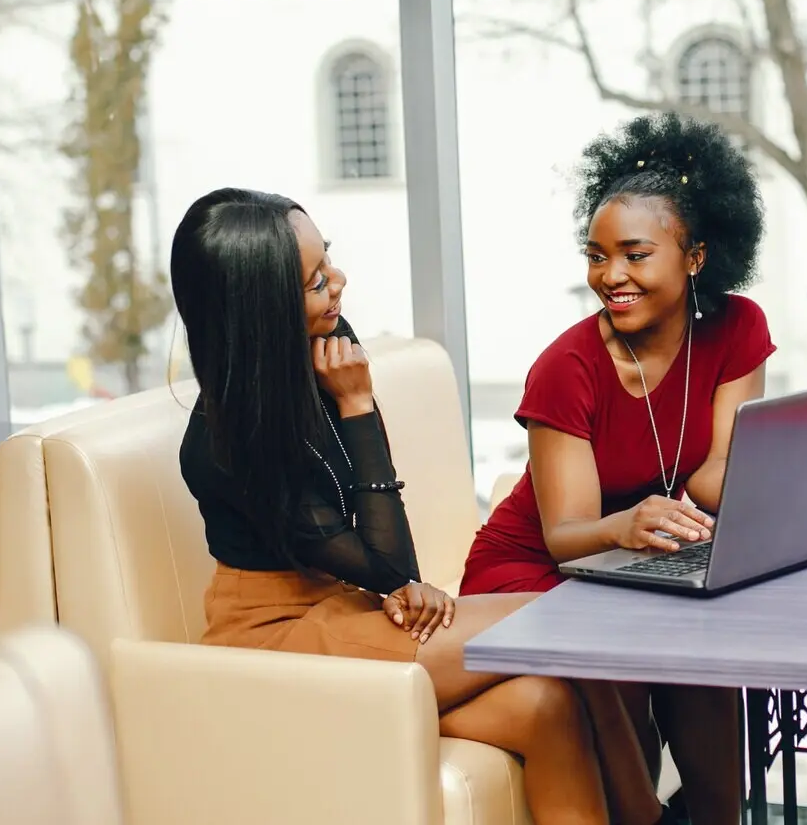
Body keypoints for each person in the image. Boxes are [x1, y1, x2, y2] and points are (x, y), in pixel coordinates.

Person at [170, 187, 673, 825]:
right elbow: (389, 560)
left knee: (548, 705)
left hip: (347, 606)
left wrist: (391, 584)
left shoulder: (317, 352)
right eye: (316, 280)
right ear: (261, 310)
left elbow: (378, 569)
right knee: (569, 623)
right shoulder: (224, 444)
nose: (340, 284)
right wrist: (358, 405)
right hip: (275, 644)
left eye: (330, 261)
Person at [460, 113, 776, 825]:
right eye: (597, 256)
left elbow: (722, 468)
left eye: (635, 254)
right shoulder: (565, 369)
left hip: (646, 554)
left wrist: (777, 490)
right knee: (615, 654)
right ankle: (647, 819)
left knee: (708, 661)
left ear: (695, 255)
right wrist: (633, 523)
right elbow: (566, 534)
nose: (611, 276)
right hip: (535, 567)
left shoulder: (738, 328)